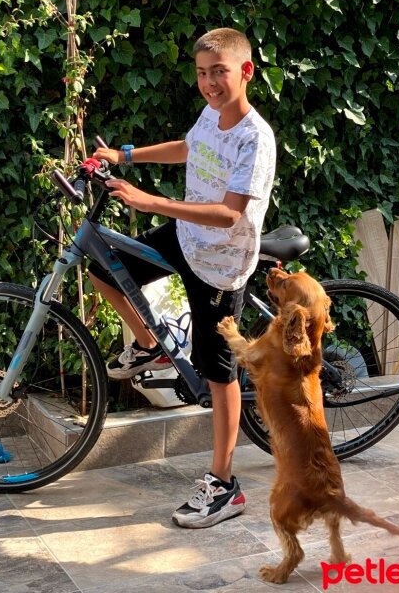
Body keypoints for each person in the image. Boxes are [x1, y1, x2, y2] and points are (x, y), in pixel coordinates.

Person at [89, 27, 276, 528]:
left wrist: (148, 201)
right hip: (186, 237)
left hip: (221, 262)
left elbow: (231, 215)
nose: (210, 83)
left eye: (219, 72)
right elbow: (189, 148)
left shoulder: (255, 138)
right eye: (201, 73)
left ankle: (224, 484)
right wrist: (125, 156)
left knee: (218, 374)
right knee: (104, 267)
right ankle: (150, 345)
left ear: (245, 71)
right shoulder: (212, 115)